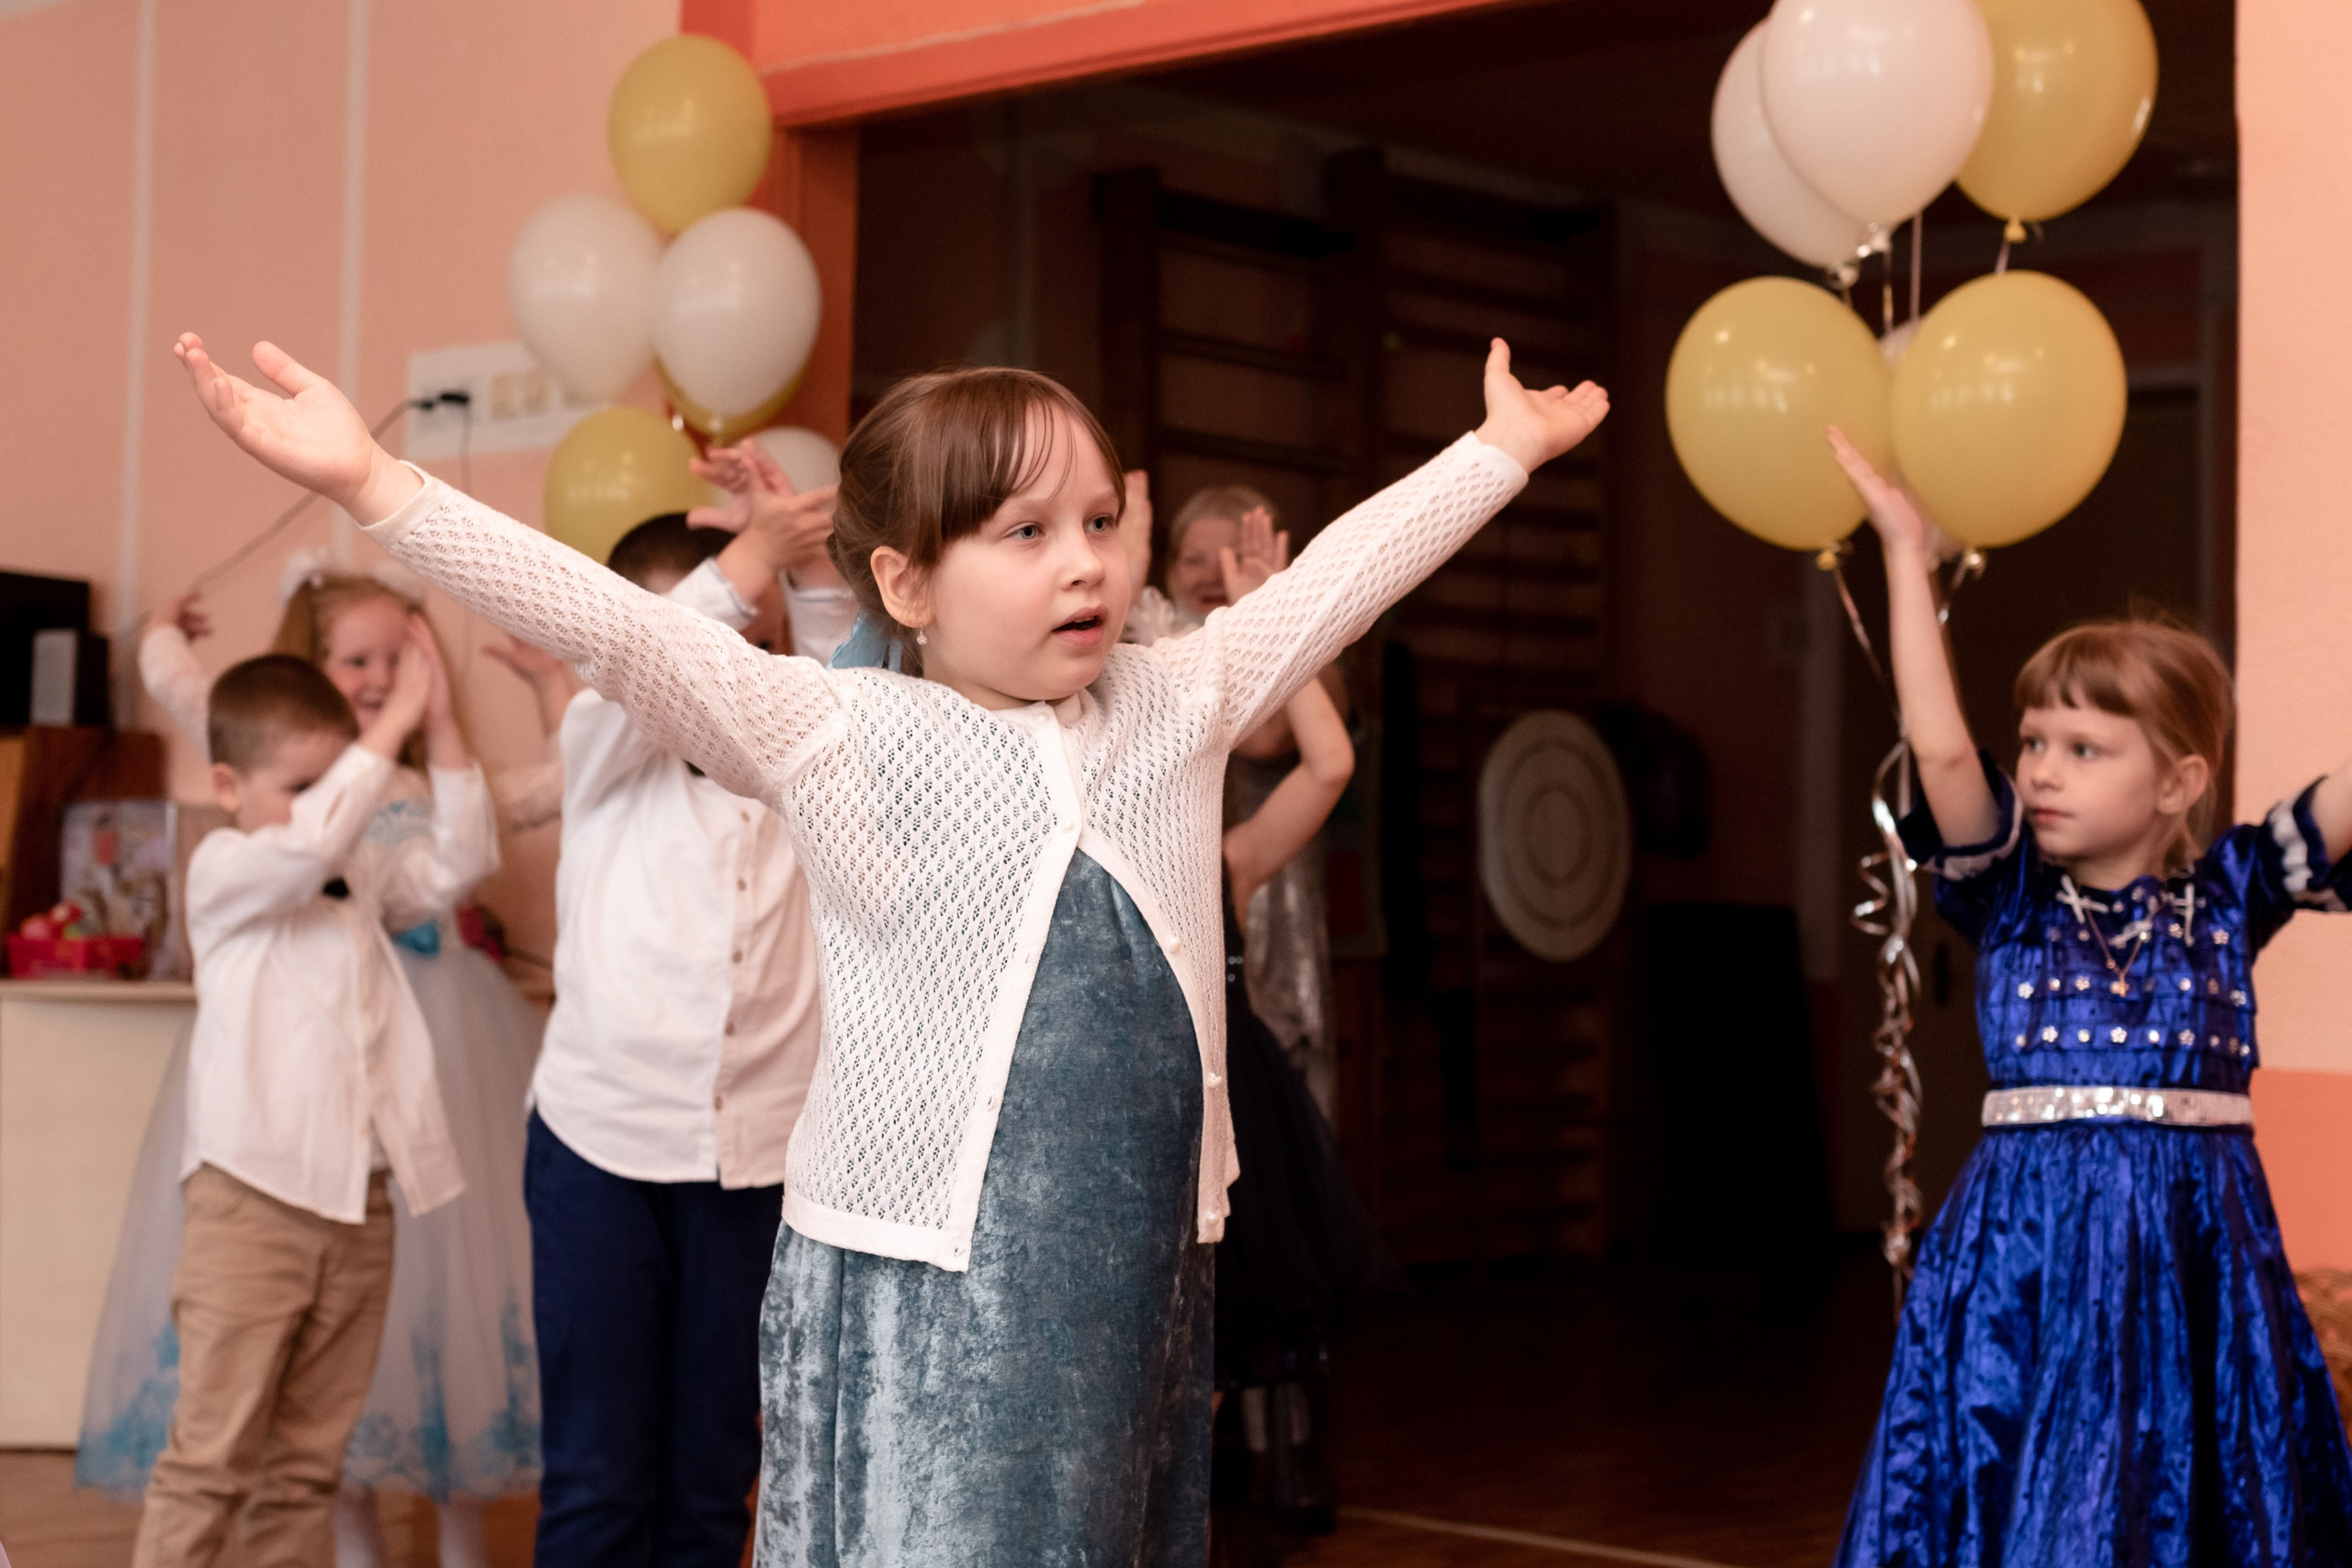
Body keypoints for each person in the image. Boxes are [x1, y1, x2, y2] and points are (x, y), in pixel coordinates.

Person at [171, 325, 1607, 1565]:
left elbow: (1335, 581)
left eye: (1103, 522)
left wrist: (1494, 454)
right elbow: (621, 635)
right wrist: (375, 482)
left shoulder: (1178, 700)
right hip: (926, 1286)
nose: (1085, 564)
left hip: (1143, 1275)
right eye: (1026, 533)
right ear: (907, 585)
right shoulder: (851, 731)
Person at [1826, 427, 2352, 1566]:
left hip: (2194, 1248)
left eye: (2083, 747)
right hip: (2026, 1256)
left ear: (2179, 780)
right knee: (2027, 1493)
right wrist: (1906, 554)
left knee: (2191, 1495)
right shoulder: (2010, 899)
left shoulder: (2229, 895)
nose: (2044, 769)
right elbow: (1943, 752)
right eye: (2036, 741)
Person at [85, 561, 553, 1568]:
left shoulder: (357, 873)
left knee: (308, 1463)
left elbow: (455, 864)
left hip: (362, 1208)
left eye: (327, 784)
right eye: (298, 787)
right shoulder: (229, 873)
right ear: (228, 788)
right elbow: (307, 843)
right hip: (253, 1208)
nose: (325, 807)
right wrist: (381, 740)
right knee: (211, 1460)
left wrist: (448, 734)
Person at [522, 508, 826, 1568]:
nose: (728, 674)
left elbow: (866, 687)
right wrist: (749, 561)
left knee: (710, 1486)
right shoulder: (602, 748)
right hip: (599, 1156)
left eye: (754, 645)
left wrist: (811, 562)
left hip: (756, 1175)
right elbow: (650, 655)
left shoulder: (807, 774)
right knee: (598, 1481)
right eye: (710, 642)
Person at [1213, 645, 1364, 1558]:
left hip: (1238, 1137)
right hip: (1138, 1134)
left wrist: (1283, 632)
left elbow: (1330, 763)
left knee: (1216, 1368)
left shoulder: (1228, 860)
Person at [1138, 483, 1348, 1114]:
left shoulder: (1302, 652)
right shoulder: (1142, 650)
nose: (1210, 574)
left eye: (1228, 555)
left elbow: (1290, 743)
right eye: (1193, 558)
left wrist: (1273, 614)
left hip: (1254, 878)